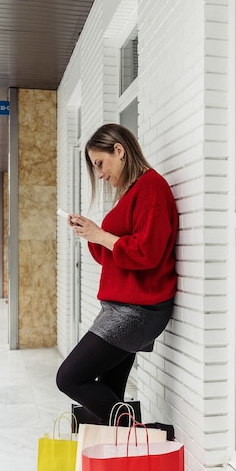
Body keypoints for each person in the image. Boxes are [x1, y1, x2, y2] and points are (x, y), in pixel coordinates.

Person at [56, 123, 178, 424]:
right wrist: (92, 234)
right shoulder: (131, 193)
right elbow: (114, 255)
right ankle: (125, 456)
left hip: (136, 310)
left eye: (100, 163)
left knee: (69, 378)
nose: (99, 174)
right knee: (109, 395)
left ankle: (142, 437)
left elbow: (146, 253)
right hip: (122, 307)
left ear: (119, 150)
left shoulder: (151, 188)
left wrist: (101, 235)